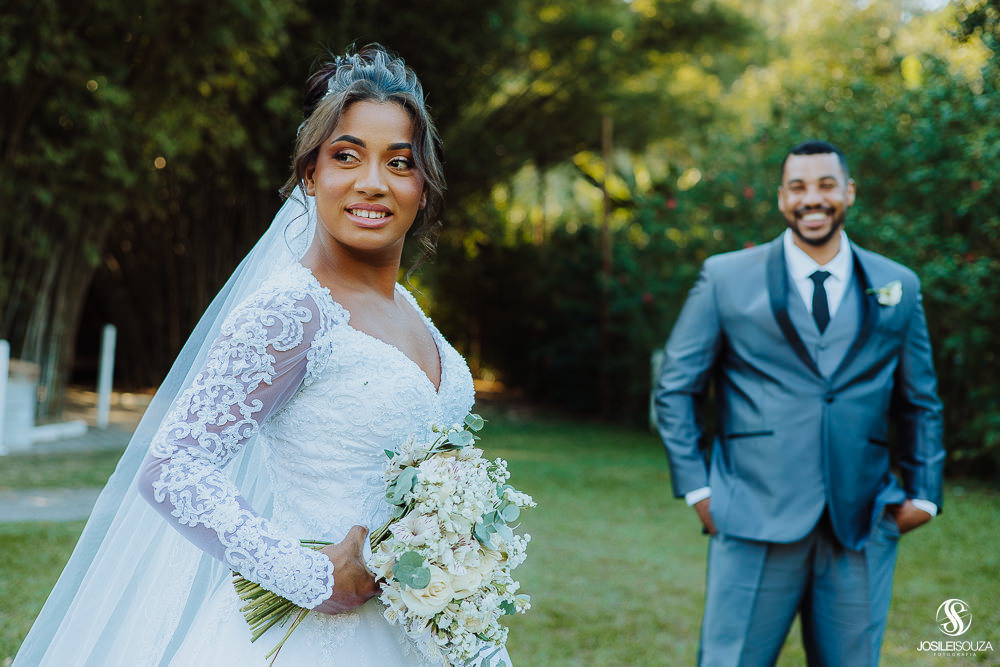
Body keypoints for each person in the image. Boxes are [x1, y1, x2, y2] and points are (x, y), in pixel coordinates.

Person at [16, 45, 511, 666]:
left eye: (399, 162)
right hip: (321, 641)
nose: (372, 182)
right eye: (346, 157)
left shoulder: (411, 310)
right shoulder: (294, 310)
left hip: (427, 629)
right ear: (310, 176)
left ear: (423, 185)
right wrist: (311, 576)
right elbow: (173, 466)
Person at [654, 140, 944, 666]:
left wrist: (925, 495)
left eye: (826, 185)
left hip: (861, 522)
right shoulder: (726, 278)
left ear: (848, 192)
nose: (813, 198)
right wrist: (699, 489)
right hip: (750, 515)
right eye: (799, 187)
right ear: (782, 198)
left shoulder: (897, 285)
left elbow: (920, 401)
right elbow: (676, 387)